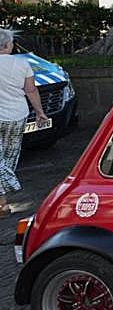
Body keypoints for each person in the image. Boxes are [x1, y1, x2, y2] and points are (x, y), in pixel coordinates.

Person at [0, 29, 49, 216]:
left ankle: (2, 205)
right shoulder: (22, 63)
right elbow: (31, 90)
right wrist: (40, 112)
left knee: (2, 161)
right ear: (7, 45)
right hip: (17, 116)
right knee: (9, 158)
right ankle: (4, 201)